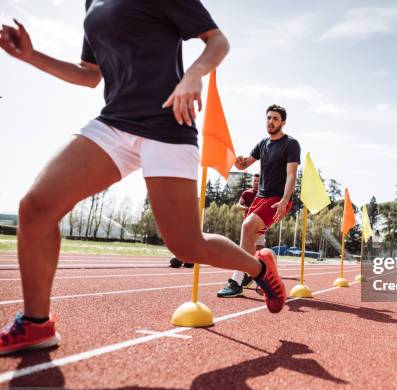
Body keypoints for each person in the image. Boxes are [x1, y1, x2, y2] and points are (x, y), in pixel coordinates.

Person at [0, 1, 285, 356]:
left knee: (185, 245)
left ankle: (258, 267)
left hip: (168, 120)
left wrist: (193, 75)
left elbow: (218, 41)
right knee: (36, 207)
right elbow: (90, 74)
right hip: (115, 123)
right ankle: (35, 323)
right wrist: (31, 56)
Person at [217, 105, 300, 298]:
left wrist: (284, 200)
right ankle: (263, 272)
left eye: (275, 119)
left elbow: (291, 175)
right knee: (253, 240)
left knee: (247, 227)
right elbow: (244, 164)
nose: (271, 122)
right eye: (268, 118)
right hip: (260, 199)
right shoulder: (263, 144)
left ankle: (236, 281)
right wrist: (235, 159)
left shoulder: (291, 144)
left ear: (283, 122)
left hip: (276, 199)